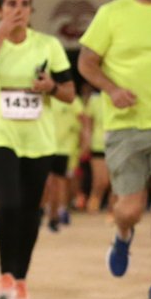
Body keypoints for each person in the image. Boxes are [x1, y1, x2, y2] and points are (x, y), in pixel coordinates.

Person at [0, 0, 75, 299]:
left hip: (38, 138)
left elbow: (70, 93)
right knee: (10, 202)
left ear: (32, 10)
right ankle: (5, 274)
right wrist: (0, 37)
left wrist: (50, 87)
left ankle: (20, 279)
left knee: (30, 208)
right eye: (11, 4)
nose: (18, 10)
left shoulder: (48, 45)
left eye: (24, 4)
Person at [78, 0, 151, 299]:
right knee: (128, 208)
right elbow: (86, 63)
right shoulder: (112, 14)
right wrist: (111, 90)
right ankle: (123, 234)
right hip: (126, 126)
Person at [44, 96, 83, 231]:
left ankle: (57, 213)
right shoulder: (44, 95)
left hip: (64, 149)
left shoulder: (72, 100)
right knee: (48, 183)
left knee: (59, 183)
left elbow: (82, 121)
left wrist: (83, 144)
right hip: (45, 146)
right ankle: (48, 212)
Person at [80, 86, 112, 213]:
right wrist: (86, 144)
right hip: (98, 144)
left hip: (118, 143)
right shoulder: (94, 100)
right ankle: (92, 207)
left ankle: (113, 211)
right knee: (100, 181)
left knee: (115, 183)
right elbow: (87, 125)